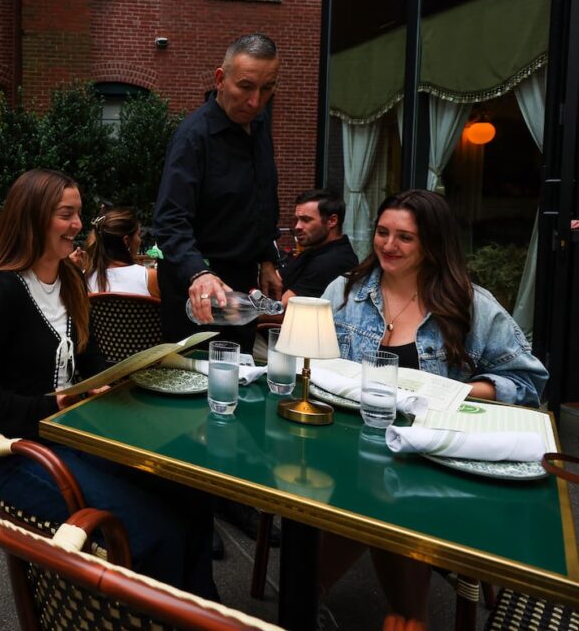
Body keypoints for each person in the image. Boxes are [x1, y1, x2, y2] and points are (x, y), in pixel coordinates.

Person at [0, 169, 217, 596]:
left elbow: (90, 359)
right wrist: (53, 405)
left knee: (192, 497)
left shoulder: (69, 282)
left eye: (79, 215)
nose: (77, 226)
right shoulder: (2, 292)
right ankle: (153, 613)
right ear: (32, 218)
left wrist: (119, 375)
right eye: (65, 214)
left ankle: (201, 611)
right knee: (152, 529)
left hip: (76, 436)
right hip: (19, 455)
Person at [318, 189, 548, 626]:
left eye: (405, 237)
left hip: (434, 456)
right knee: (370, 483)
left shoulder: (469, 304)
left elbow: (528, 380)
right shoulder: (344, 291)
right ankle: (404, 614)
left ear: (433, 244)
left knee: (383, 489)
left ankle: (326, 596)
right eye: (383, 232)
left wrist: (455, 391)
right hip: (346, 443)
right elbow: (311, 360)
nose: (388, 245)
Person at [152, 33, 282, 352]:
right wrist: (198, 272)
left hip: (244, 285)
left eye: (267, 89)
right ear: (220, 79)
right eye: (246, 87)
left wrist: (267, 258)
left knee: (239, 377)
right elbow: (169, 222)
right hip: (196, 286)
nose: (255, 101)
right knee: (195, 384)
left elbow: (263, 196)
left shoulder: (260, 122)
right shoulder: (193, 138)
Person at [280, 189, 359, 305]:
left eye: (306, 220)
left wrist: (245, 314)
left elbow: (284, 306)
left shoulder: (333, 261)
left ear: (332, 221)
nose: (297, 226)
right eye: (297, 220)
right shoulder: (315, 250)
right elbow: (274, 280)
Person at [84, 207, 159, 297]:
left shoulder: (84, 277)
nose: (140, 240)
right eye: (138, 235)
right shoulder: (149, 278)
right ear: (126, 241)